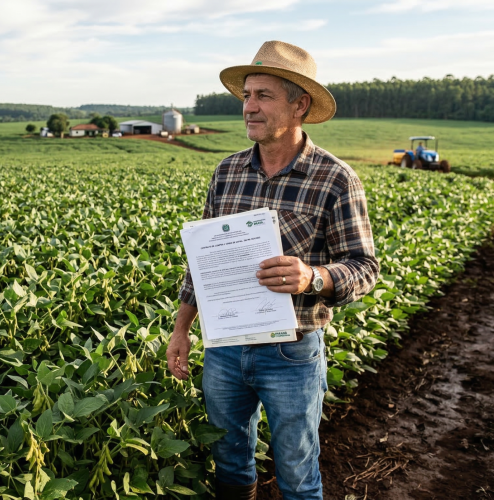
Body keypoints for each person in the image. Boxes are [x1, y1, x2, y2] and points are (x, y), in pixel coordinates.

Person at [166, 41, 380, 500]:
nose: (249, 107)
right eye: (246, 96)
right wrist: (182, 328)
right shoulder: (226, 173)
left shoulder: (335, 178)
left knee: (298, 475)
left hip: (292, 353)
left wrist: (313, 278)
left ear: (299, 104)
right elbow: (199, 265)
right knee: (230, 462)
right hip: (225, 348)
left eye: (263, 95)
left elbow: (365, 268)